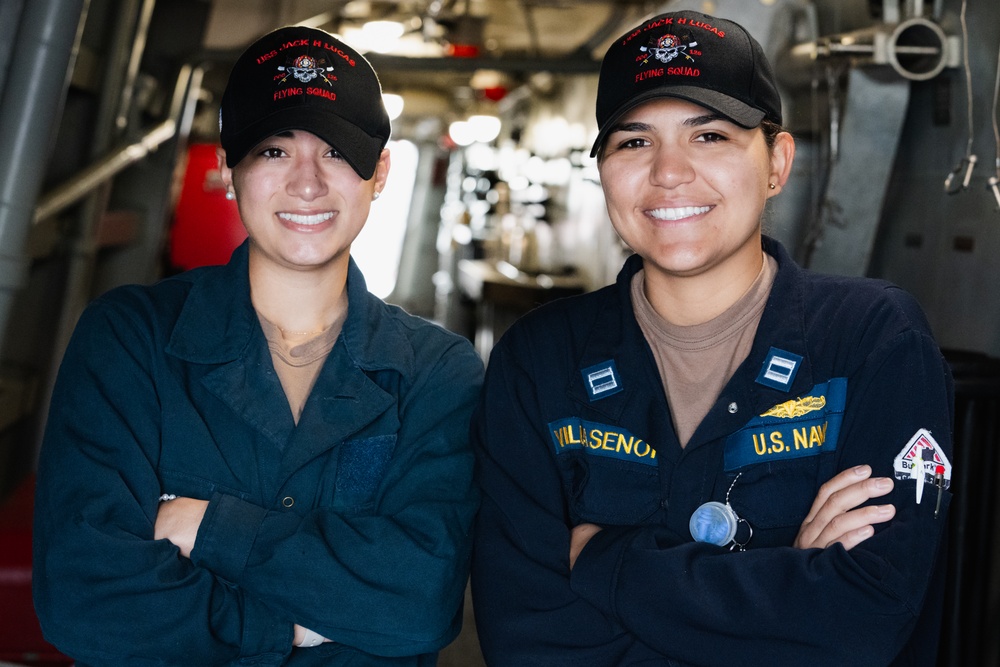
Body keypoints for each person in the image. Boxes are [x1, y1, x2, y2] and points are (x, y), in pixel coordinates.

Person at [470, 10, 953, 666]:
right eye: (633, 142)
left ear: (777, 162)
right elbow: (526, 638)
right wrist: (786, 581)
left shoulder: (872, 340)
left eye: (712, 136)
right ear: (604, 169)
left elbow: (863, 620)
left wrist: (608, 566)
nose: (669, 171)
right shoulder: (538, 360)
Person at [33, 25, 483, 666]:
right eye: (273, 151)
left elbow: (421, 601)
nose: (307, 184)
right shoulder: (132, 338)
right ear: (226, 167)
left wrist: (207, 527)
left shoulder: (437, 372)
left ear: (378, 172)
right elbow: (87, 598)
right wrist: (289, 627)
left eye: (335, 152)